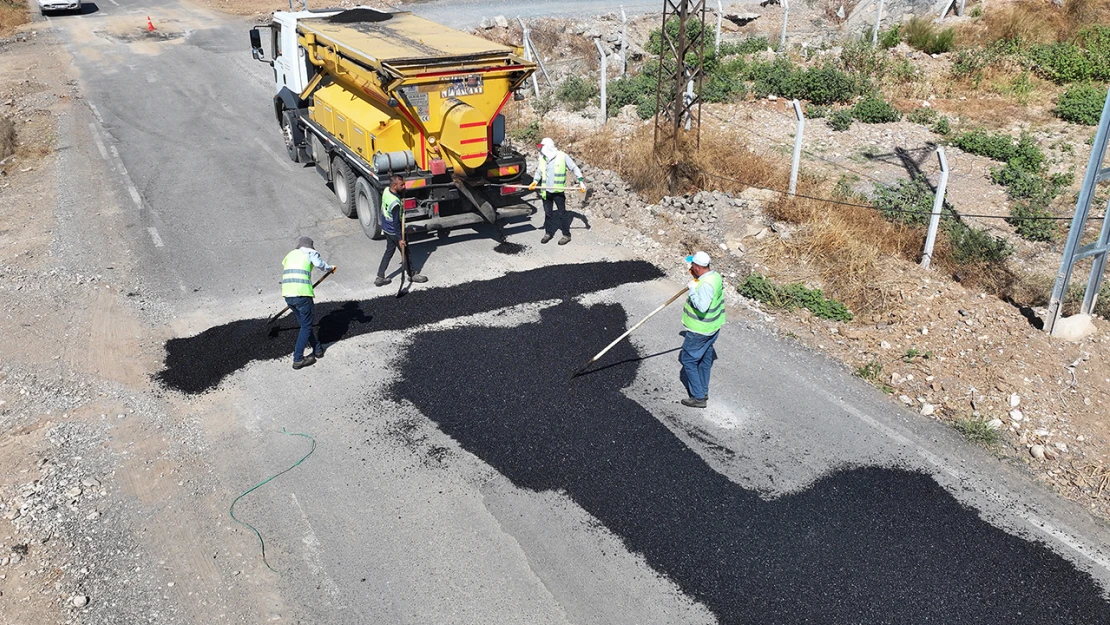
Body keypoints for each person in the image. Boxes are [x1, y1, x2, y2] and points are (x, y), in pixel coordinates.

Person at [679, 251, 726, 408]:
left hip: (700, 331)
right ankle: (703, 390)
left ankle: (699, 397)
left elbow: (702, 306)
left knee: (688, 360)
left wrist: (693, 289)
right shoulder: (716, 277)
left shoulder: (705, 285)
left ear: (698, 267)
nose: (690, 267)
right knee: (705, 359)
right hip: (713, 328)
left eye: (692, 265)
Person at [281, 236, 335, 370]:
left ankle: (317, 350)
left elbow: (286, 265)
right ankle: (298, 359)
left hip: (288, 294)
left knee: (305, 324)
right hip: (302, 294)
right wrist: (330, 268)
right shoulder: (310, 253)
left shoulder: (290, 254)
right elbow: (319, 264)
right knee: (305, 327)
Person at [527, 137, 586, 246]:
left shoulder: (562, 156)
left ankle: (566, 235)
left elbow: (574, 168)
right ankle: (548, 233)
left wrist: (581, 181)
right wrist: (535, 181)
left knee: (562, 213)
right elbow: (539, 172)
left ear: (548, 147)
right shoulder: (543, 159)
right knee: (548, 214)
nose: (541, 150)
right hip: (546, 192)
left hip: (558, 192)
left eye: (542, 147)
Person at [376, 174, 428, 287]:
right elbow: (396, 223)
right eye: (402, 185)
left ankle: (380, 276)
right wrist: (400, 239)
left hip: (386, 228)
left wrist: (402, 194)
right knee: (406, 253)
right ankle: (412, 274)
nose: (404, 186)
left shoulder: (386, 191)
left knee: (389, 251)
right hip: (395, 231)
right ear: (394, 185)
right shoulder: (395, 204)